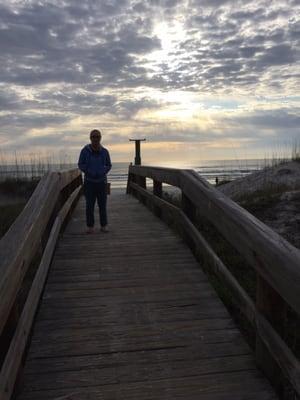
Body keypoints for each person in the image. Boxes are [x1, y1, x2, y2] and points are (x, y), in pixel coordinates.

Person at [78, 129, 112, 234]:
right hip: (89, 182)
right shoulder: (85, 151)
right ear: (90, 138)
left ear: (100, 138)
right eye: (93, 137)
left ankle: (104, 225)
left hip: (102, 182)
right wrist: (88, 170)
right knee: (89, 205)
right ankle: (90, 226)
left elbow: (109, 165)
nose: (95, 139)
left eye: (97, 136)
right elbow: (80, 164)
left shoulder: (105, 151)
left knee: (102, 205)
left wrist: (103, 171)